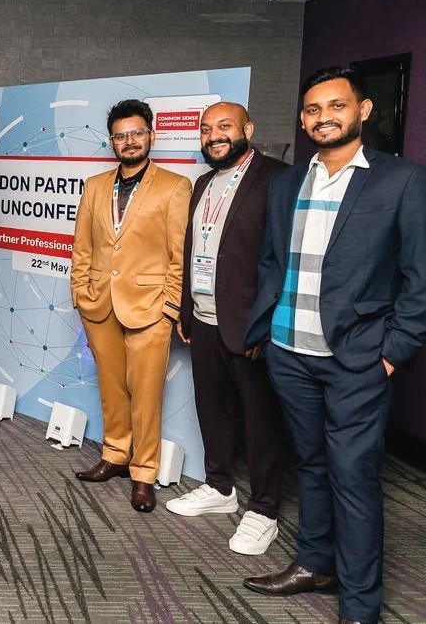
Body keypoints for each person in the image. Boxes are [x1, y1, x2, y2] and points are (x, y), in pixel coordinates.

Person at [242, 67, 426, 624]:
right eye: (312, 109)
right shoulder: (287, 183)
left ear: (363, 110)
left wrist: (395, 350)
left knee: (354, 477)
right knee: (313, 464)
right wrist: (266, 327)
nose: (323, 117)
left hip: (358, 359)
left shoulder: (402, 180)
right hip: (289, 352)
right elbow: (274, 261)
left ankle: (360, 606)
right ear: (302, 118)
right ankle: (314, 564)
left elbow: (420, 276)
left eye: (335, 106)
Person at [167, 102, 287, 555]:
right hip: (203, 318)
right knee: (211, 407)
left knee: (261, 420)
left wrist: (265, 323)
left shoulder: (277, 178)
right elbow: (194, 249)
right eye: (206, 128)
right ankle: (219, 487)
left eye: (224, 126)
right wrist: (184, 309)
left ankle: (264, 508)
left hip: (250, 325)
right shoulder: (203, 183)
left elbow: (283, 260)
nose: (213, 135)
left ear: (247, 129)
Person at [70, 99, 191, 512]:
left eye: (137, 133)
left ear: (151, 136)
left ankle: (144, 473)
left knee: (146, 394)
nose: (130, 141)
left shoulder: (175, 186)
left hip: (150, 308)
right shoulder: (95, 185)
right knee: (111, 388)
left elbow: (179, 255)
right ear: (112, 142)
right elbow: (81, 249)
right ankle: (115, 455)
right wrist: (81, 297)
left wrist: (170, 308)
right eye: (121, 136)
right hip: (100, 304)